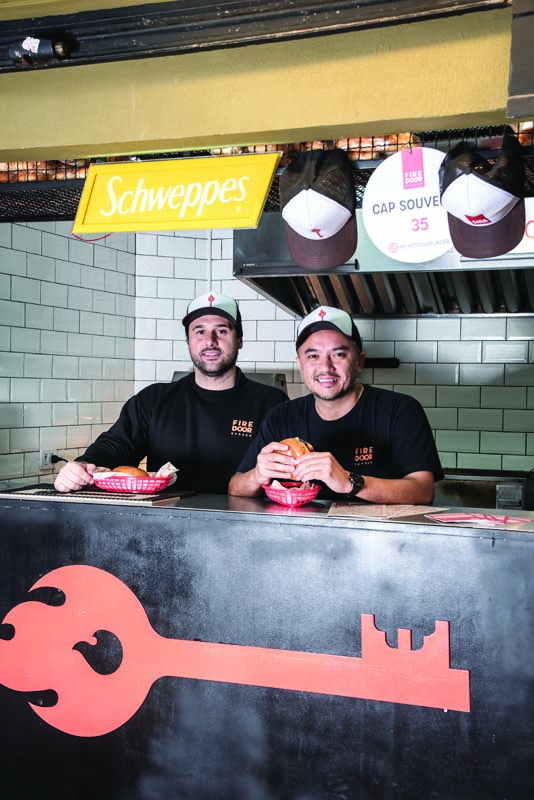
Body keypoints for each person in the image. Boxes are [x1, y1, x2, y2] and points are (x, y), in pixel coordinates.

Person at [54, 291, 288, 494]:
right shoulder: (153, 400)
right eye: (199, 331)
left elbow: (286, 476)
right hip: (166, 527)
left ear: (240, 340)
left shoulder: (272, 403)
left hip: (246, 528)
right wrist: (83, 465)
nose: (210, 341)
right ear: (188, 341)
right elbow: (115, 446)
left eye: (222, 331)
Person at [229, 306, 443, 504]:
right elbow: (235, 487)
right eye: (313, 355)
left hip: (380, 540)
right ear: (300, 364)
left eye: (338, 354)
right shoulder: (282, 416)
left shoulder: (399, 411)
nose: (325, 366)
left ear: (359, 361)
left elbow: (423, 491)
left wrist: (350, 482)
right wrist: (257, 475)